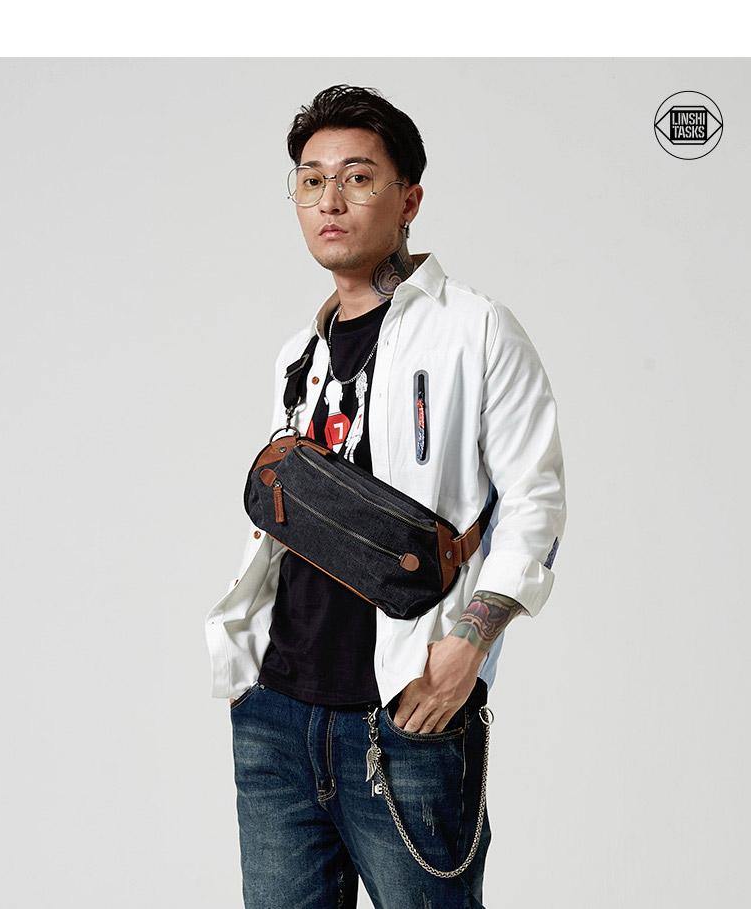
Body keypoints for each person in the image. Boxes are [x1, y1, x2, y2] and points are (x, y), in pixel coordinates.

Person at [205, 84, 567, 908]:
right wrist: (248, 677)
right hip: (276, 716)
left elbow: (536, 504)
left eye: (358, 177)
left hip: (406, 715)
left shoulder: (475, 329)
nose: (330, 200)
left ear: (409, 200)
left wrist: (466, 653)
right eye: (311, 180)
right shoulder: (298, 354)